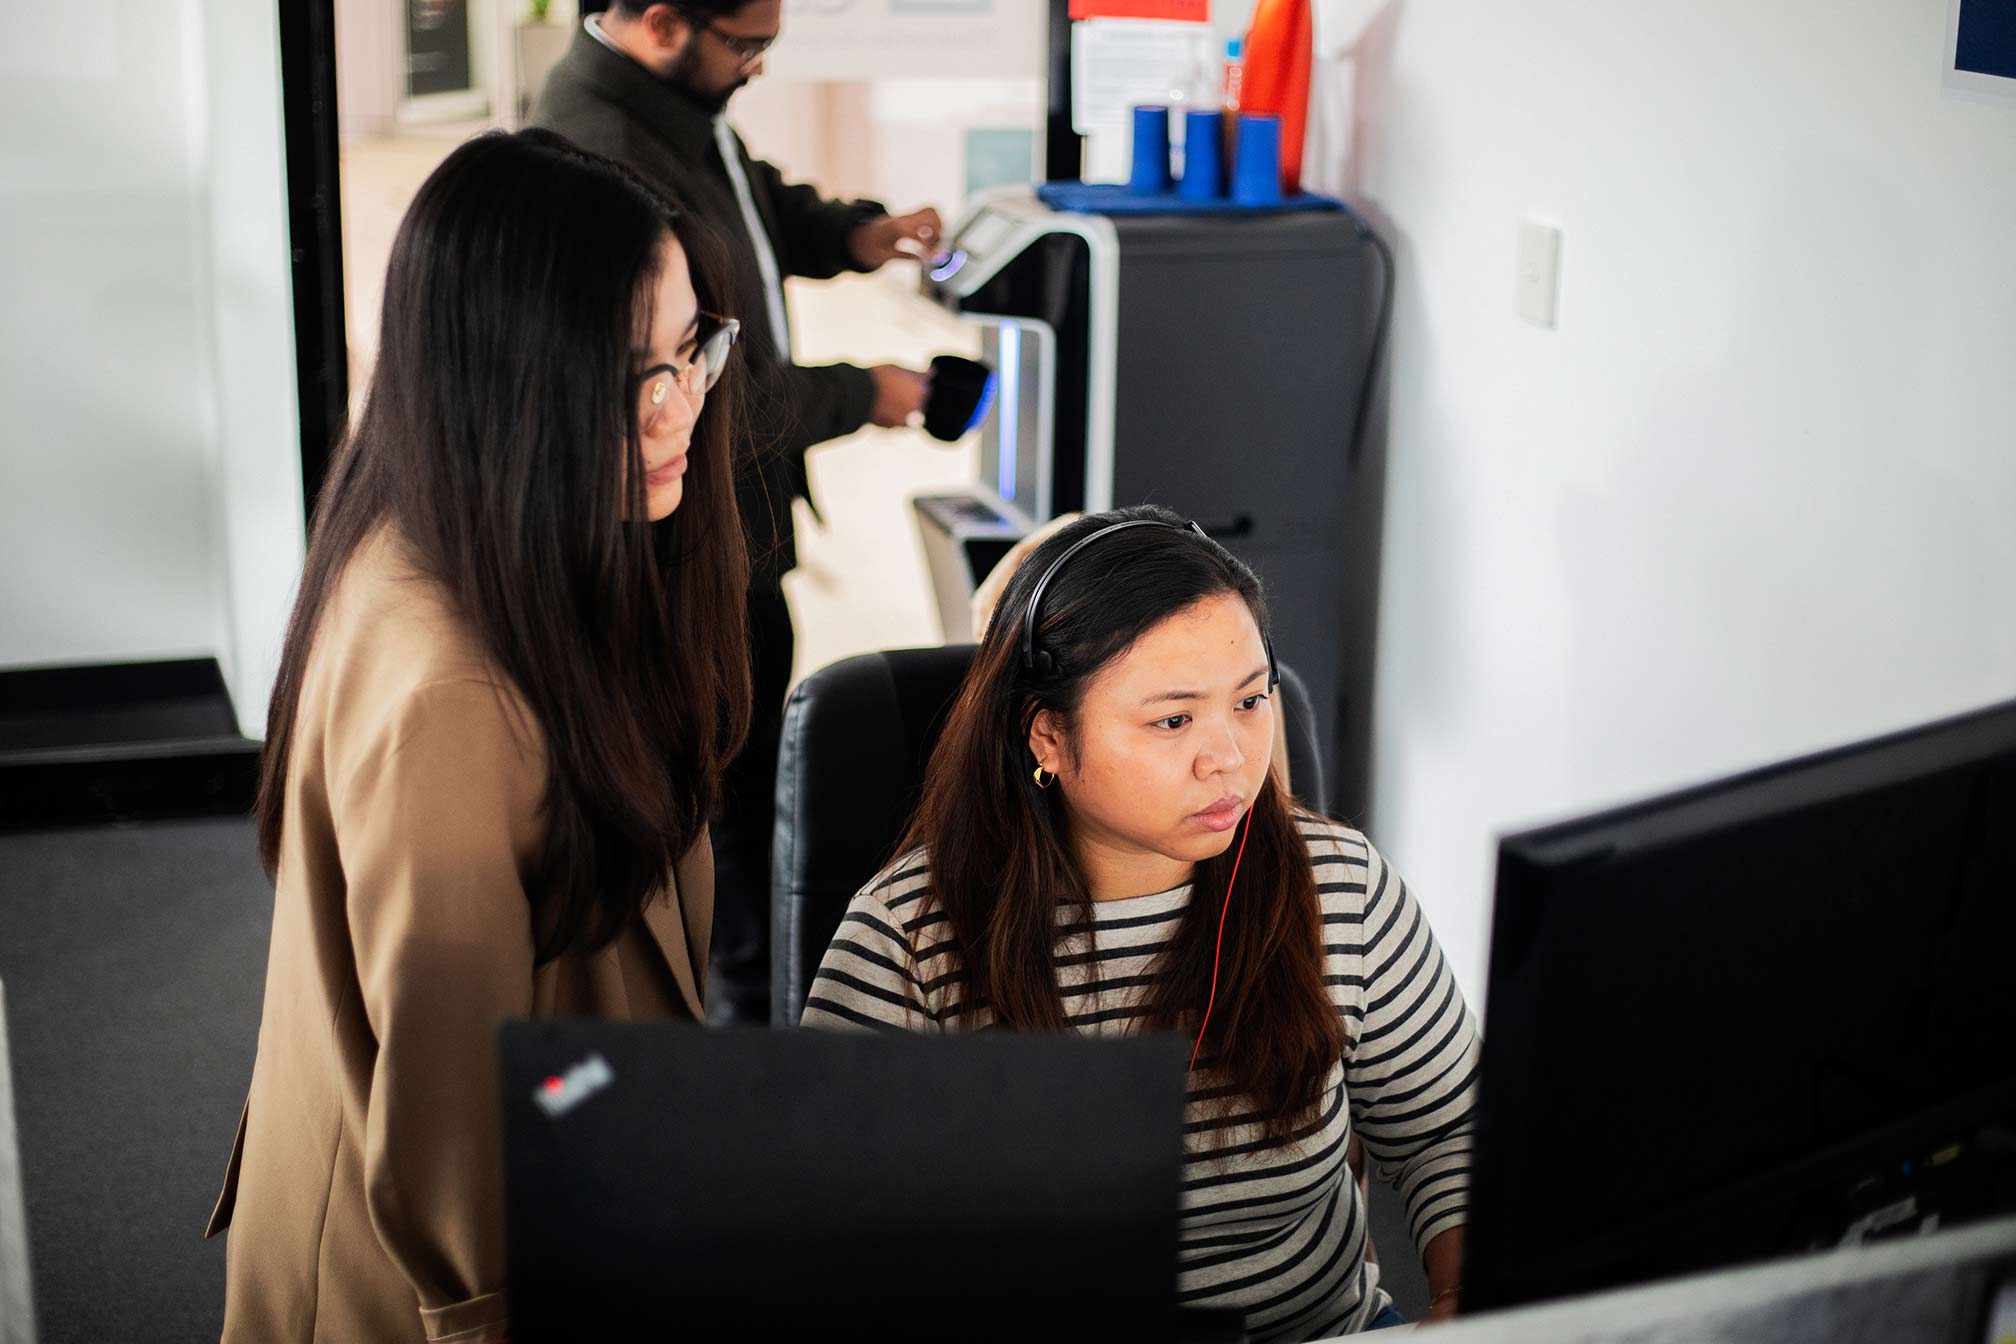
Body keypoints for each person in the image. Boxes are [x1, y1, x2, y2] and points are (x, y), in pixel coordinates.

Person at [205, 129, 751, 1343]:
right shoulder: (455, 691)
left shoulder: (459, 512)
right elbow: (449, 1093)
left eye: (689, 351)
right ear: (509, 384)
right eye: (628, 378)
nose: (679, 411)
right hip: (442, 1282)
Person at [804, 507, 1480, 1339]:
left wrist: (1457, 1309)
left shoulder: (1335, 881)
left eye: (1250, 700)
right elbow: (833, 1239)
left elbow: (1449, 1127)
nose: (1230, 756)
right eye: (1173, 720)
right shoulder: (909, 935)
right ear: (1048, 735)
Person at [535, 0, 950, 1025]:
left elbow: (744, 201)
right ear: (664, 23)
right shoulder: (603, 150)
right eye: (748, 45)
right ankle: (744, 1022)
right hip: (686, 542)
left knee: (749, 763)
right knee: (723, 788)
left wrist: (854, 233)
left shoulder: (671, 104)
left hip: (733, 527)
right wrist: (868, 392)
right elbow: (711, 395)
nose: (760, 69)